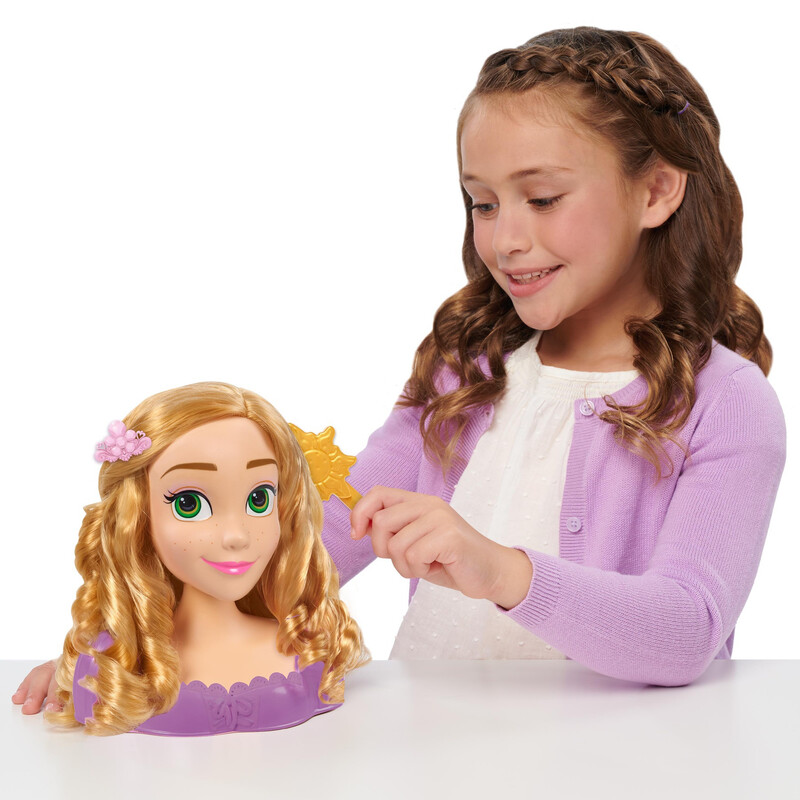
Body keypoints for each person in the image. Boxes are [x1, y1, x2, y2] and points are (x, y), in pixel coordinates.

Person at [14, 26, 786, 708]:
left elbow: (686, 629)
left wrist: (500, 570)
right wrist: (131, 646)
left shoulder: (726, 402)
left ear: (657, 191)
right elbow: (317, 540)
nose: (505, 239)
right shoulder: (464, 376)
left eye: (543, 198)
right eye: (483, 203)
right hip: (431, 749)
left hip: (620, 766)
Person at [42, 382, 367, 734]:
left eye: (259, 499)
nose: (236, 536)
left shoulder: (310, 649)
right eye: (189, 504)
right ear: (137, 518)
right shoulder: (108, 667)